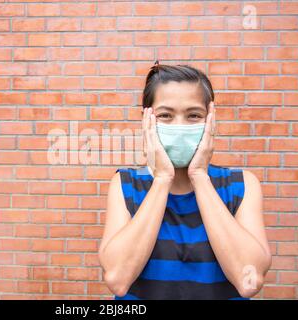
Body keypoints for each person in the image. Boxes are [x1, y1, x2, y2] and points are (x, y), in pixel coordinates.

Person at [98, 62, 272, 300]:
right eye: (165, 115)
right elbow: (118, 279)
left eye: (193, 116)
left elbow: (248, 281)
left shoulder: (241, 186)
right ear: (146, 120)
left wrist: (200, 176)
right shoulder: (126, 184)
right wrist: (162, 179)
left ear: (210, 119)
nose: (179, 127)